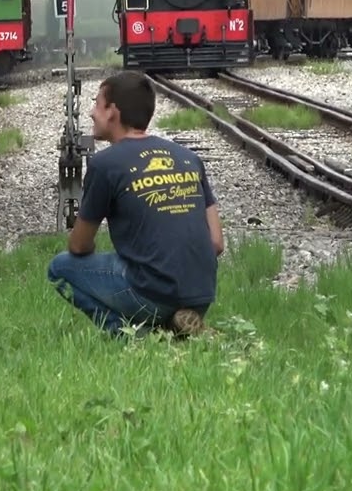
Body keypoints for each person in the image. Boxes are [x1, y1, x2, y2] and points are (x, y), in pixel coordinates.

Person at [48, 71, 224, 337]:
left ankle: (129, 335)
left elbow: (78, 245)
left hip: (151, 293)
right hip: (201, 294)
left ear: (112, 112)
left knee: (59, 268)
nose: (91, 113)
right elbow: (217, 243)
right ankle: (177, 324)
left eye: (97, 104)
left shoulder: (106, 164)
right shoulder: (188, 158)